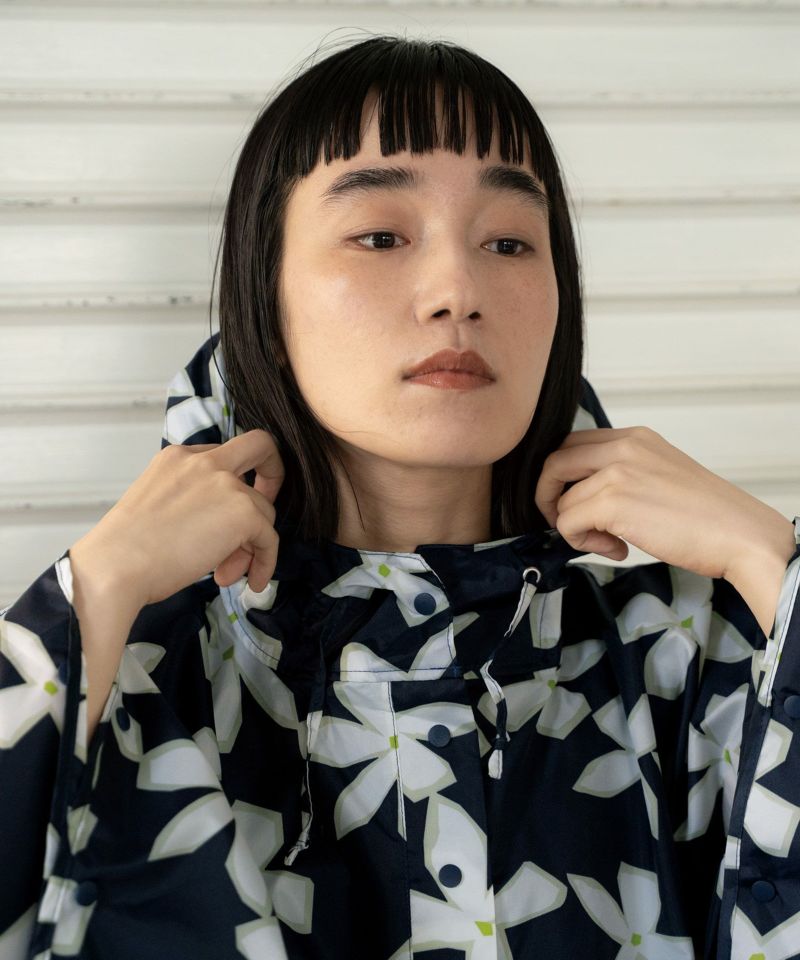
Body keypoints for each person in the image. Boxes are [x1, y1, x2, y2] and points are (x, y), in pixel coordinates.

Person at [1, 34, 798, 960]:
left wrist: (772, 563)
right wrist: (95, 591)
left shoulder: (698, 653)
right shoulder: (131, 666)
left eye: (509, 242)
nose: (457, 291)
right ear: (265, 294)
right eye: (381, 236)